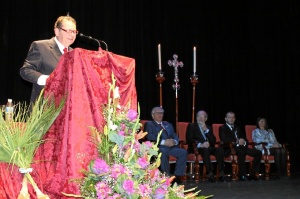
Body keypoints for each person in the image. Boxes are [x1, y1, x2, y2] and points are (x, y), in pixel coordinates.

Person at [20, 15, 78, 104]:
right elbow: (25, 70)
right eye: (68, 31)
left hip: (69, 108)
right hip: (46, 108)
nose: (72, 35)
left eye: (74, 32)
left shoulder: (75, 53)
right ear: (57, 31)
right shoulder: (40, 46)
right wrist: (48, 80)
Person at [144, 107, 187, 183]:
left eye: (161, 113)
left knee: (183, 152)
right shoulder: (149, 124)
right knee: (162, 151)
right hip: (159, 147)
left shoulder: (168, 124)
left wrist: (174, 141)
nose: (160, 115)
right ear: (153, 115)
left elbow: (174, 135)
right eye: (158, 113)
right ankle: (166, 176)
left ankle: (177, 176)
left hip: (171, 147)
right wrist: (164, 142)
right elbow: (149, 136)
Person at [219, 111, 262, 181]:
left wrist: (244, 141)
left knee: (258, 153)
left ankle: (252, 174)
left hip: (242, 147)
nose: (231, 119)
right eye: (229, 117)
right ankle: (242, 175)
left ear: (235, 119)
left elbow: (244, 138)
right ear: (226, 119)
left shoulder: (238, 128)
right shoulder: (222, 128)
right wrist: (236, 141)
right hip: (230, 148)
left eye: (233, 117)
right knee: (241, 152)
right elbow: (224, 139)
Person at [186, 110, 225, 182]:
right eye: (198, 117)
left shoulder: (208, 127)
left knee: (220, 150)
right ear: (196, 118)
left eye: (202, 117)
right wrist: (201, 144)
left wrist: (206, 130)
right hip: (197, 148)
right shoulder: (192, 126)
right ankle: (210, 173)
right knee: (205, 150)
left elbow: (213, 141)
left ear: (206, 119)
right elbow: (189, 139)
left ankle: (221, 172)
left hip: (208, 147)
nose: (200, 119)